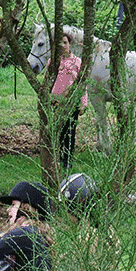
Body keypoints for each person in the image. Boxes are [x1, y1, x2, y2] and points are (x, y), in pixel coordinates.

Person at [51, 31, 88, 170]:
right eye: (59, 43)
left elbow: (82, 84)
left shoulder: (77, 62)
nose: (62, 45)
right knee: (58, 131)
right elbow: (49, 81)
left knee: (70, 133)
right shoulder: (53, 62)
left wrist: (83, 103)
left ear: (70, 44)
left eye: (65, 42)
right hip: (56, 102)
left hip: (72, 103)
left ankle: (67, 160)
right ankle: (56, 159)